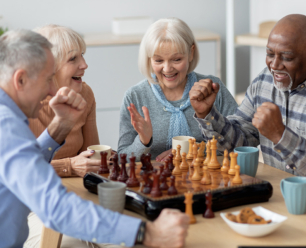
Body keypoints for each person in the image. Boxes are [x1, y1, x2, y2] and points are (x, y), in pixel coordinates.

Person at [0, 29, 189, 248]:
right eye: (48, 80)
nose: (52, 91)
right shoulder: (7, 126)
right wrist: (147, 234)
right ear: (20, 79)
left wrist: (60, 127)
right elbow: (56, 207)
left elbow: (26, 166)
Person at [189, 14, 306, 186]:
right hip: (275, 194)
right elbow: (239, 142)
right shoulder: (265, 79)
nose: (274, 65)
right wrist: (207, 115)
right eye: (270, 54)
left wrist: (280, 135)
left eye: (287, 57)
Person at [118, 18, 238, 161]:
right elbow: (121, 159)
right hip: (154, 181)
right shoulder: (135, 96)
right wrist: (143, 141)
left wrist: (191, 150)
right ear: (149, 59)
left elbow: (240, 143)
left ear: (191, 53)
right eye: (158, 60)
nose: (167, 69)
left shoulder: (212, 88)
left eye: (176, 59)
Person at [28, 24, 100, 178]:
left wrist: (102, 158)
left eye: (82, 55)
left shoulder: (85, 94)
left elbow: (90, 152)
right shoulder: (21, 103)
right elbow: (19, 168)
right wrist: (69, 166)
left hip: (75, 186)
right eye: (73, 58)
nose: (84, 65)